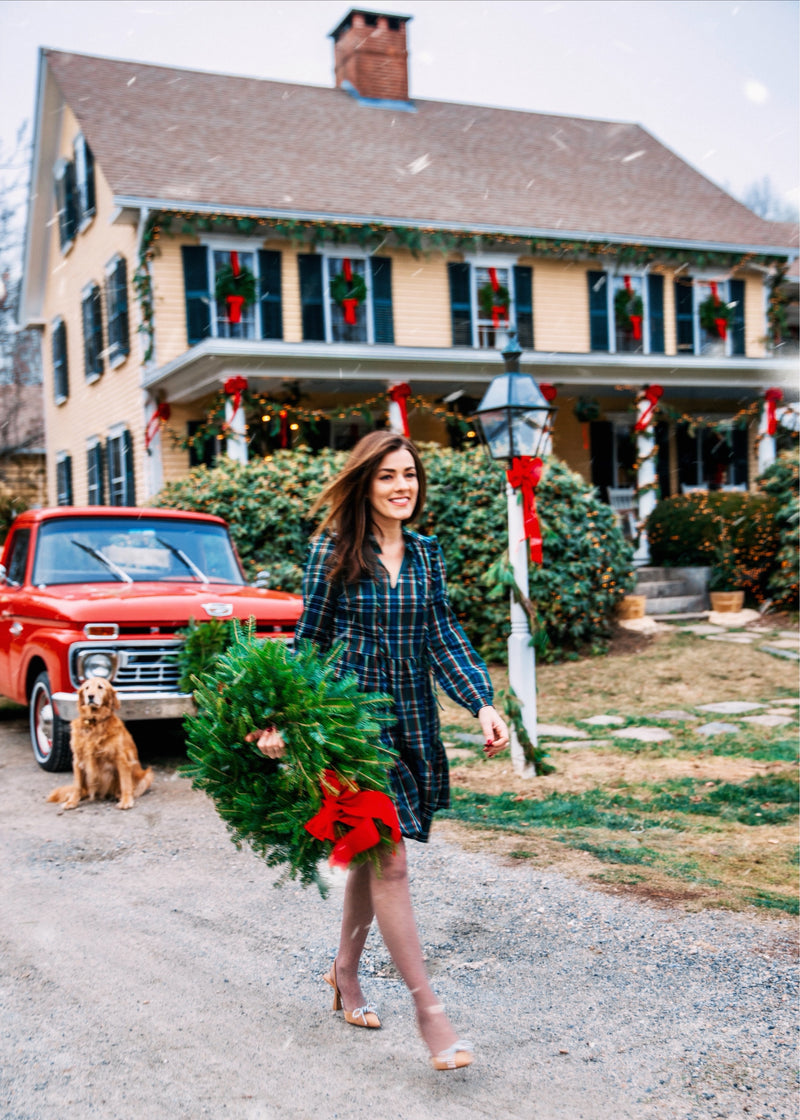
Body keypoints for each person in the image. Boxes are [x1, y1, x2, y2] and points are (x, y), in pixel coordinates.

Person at [249, 431, 509, 1071]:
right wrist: (278, 718)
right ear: (365, 483)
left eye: (410, 475)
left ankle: (344, 971)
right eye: (388, 476)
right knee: (388, 862)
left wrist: (481, 701)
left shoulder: (426, 554)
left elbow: (442, 634)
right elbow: (309, 640)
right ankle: (432, 1016)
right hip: (352, 726)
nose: (402, 486)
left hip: (412, 720)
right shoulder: (333, 553)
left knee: (372, 855)